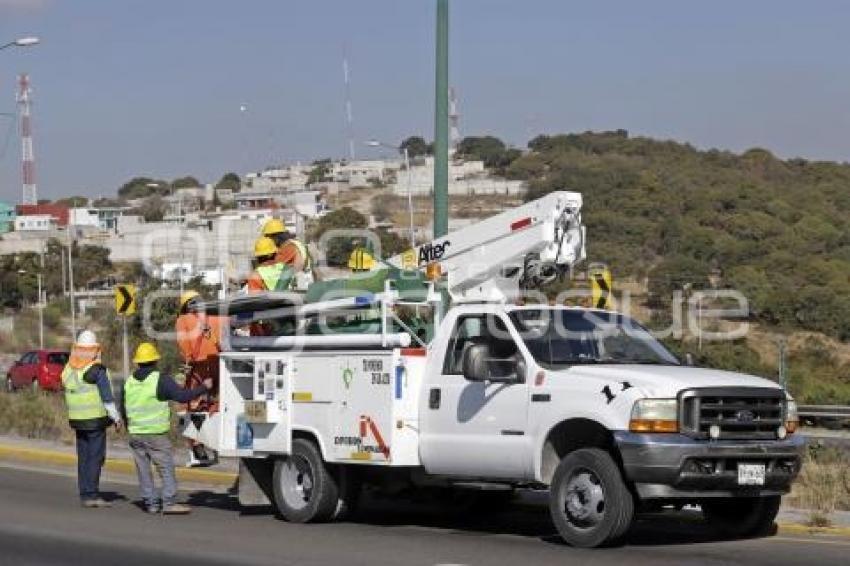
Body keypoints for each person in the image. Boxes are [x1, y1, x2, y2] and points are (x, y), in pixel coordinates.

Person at [121, 342, 212, 514]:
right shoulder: (160, 379)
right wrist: (203, 387)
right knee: (165, 467)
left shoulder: (129, 382)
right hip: (155, 434)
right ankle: (169, 502)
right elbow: (182, 396)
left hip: (135, 434)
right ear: (155, 361)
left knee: (143, 470)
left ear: (138, 362)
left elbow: (123, 407)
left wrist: (130, 428)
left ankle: (151, 503)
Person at [61, 329, 122, 508]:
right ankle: (92, 495)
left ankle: (85, 492)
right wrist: (116, 418)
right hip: (95, 421)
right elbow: (107, 398)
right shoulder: (96, 370)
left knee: (84, 457)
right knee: (95, 458)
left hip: (77, 421)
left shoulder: (69, 369)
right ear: (95, 349)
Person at [175, 289, 226, 466]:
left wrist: (187, 362)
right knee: (214, 405)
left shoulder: (183, 320)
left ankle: (198, 452)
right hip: (219, 364)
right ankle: (217, 446)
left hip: (198, 367)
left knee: (192, 407)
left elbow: (184, 348)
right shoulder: (217, 317)